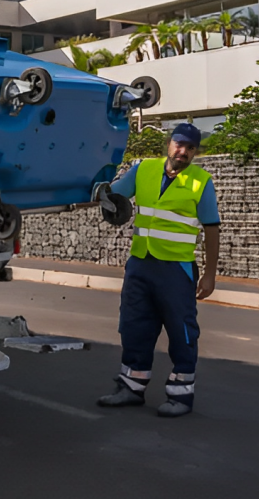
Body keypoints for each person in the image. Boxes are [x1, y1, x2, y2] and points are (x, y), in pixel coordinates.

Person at [94, 122, 220, 418]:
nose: (183, 151)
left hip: (176, 269)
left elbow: (212, 229)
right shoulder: (143, 169)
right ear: (169, 143)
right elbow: (112, 196)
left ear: (195, 152)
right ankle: (130, 387)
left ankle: (180, 394)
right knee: (134, 325)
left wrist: (210, 273)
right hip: (141, 263)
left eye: (190, 148)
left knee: (182, 331)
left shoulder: (201, 181)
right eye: (179, 144)